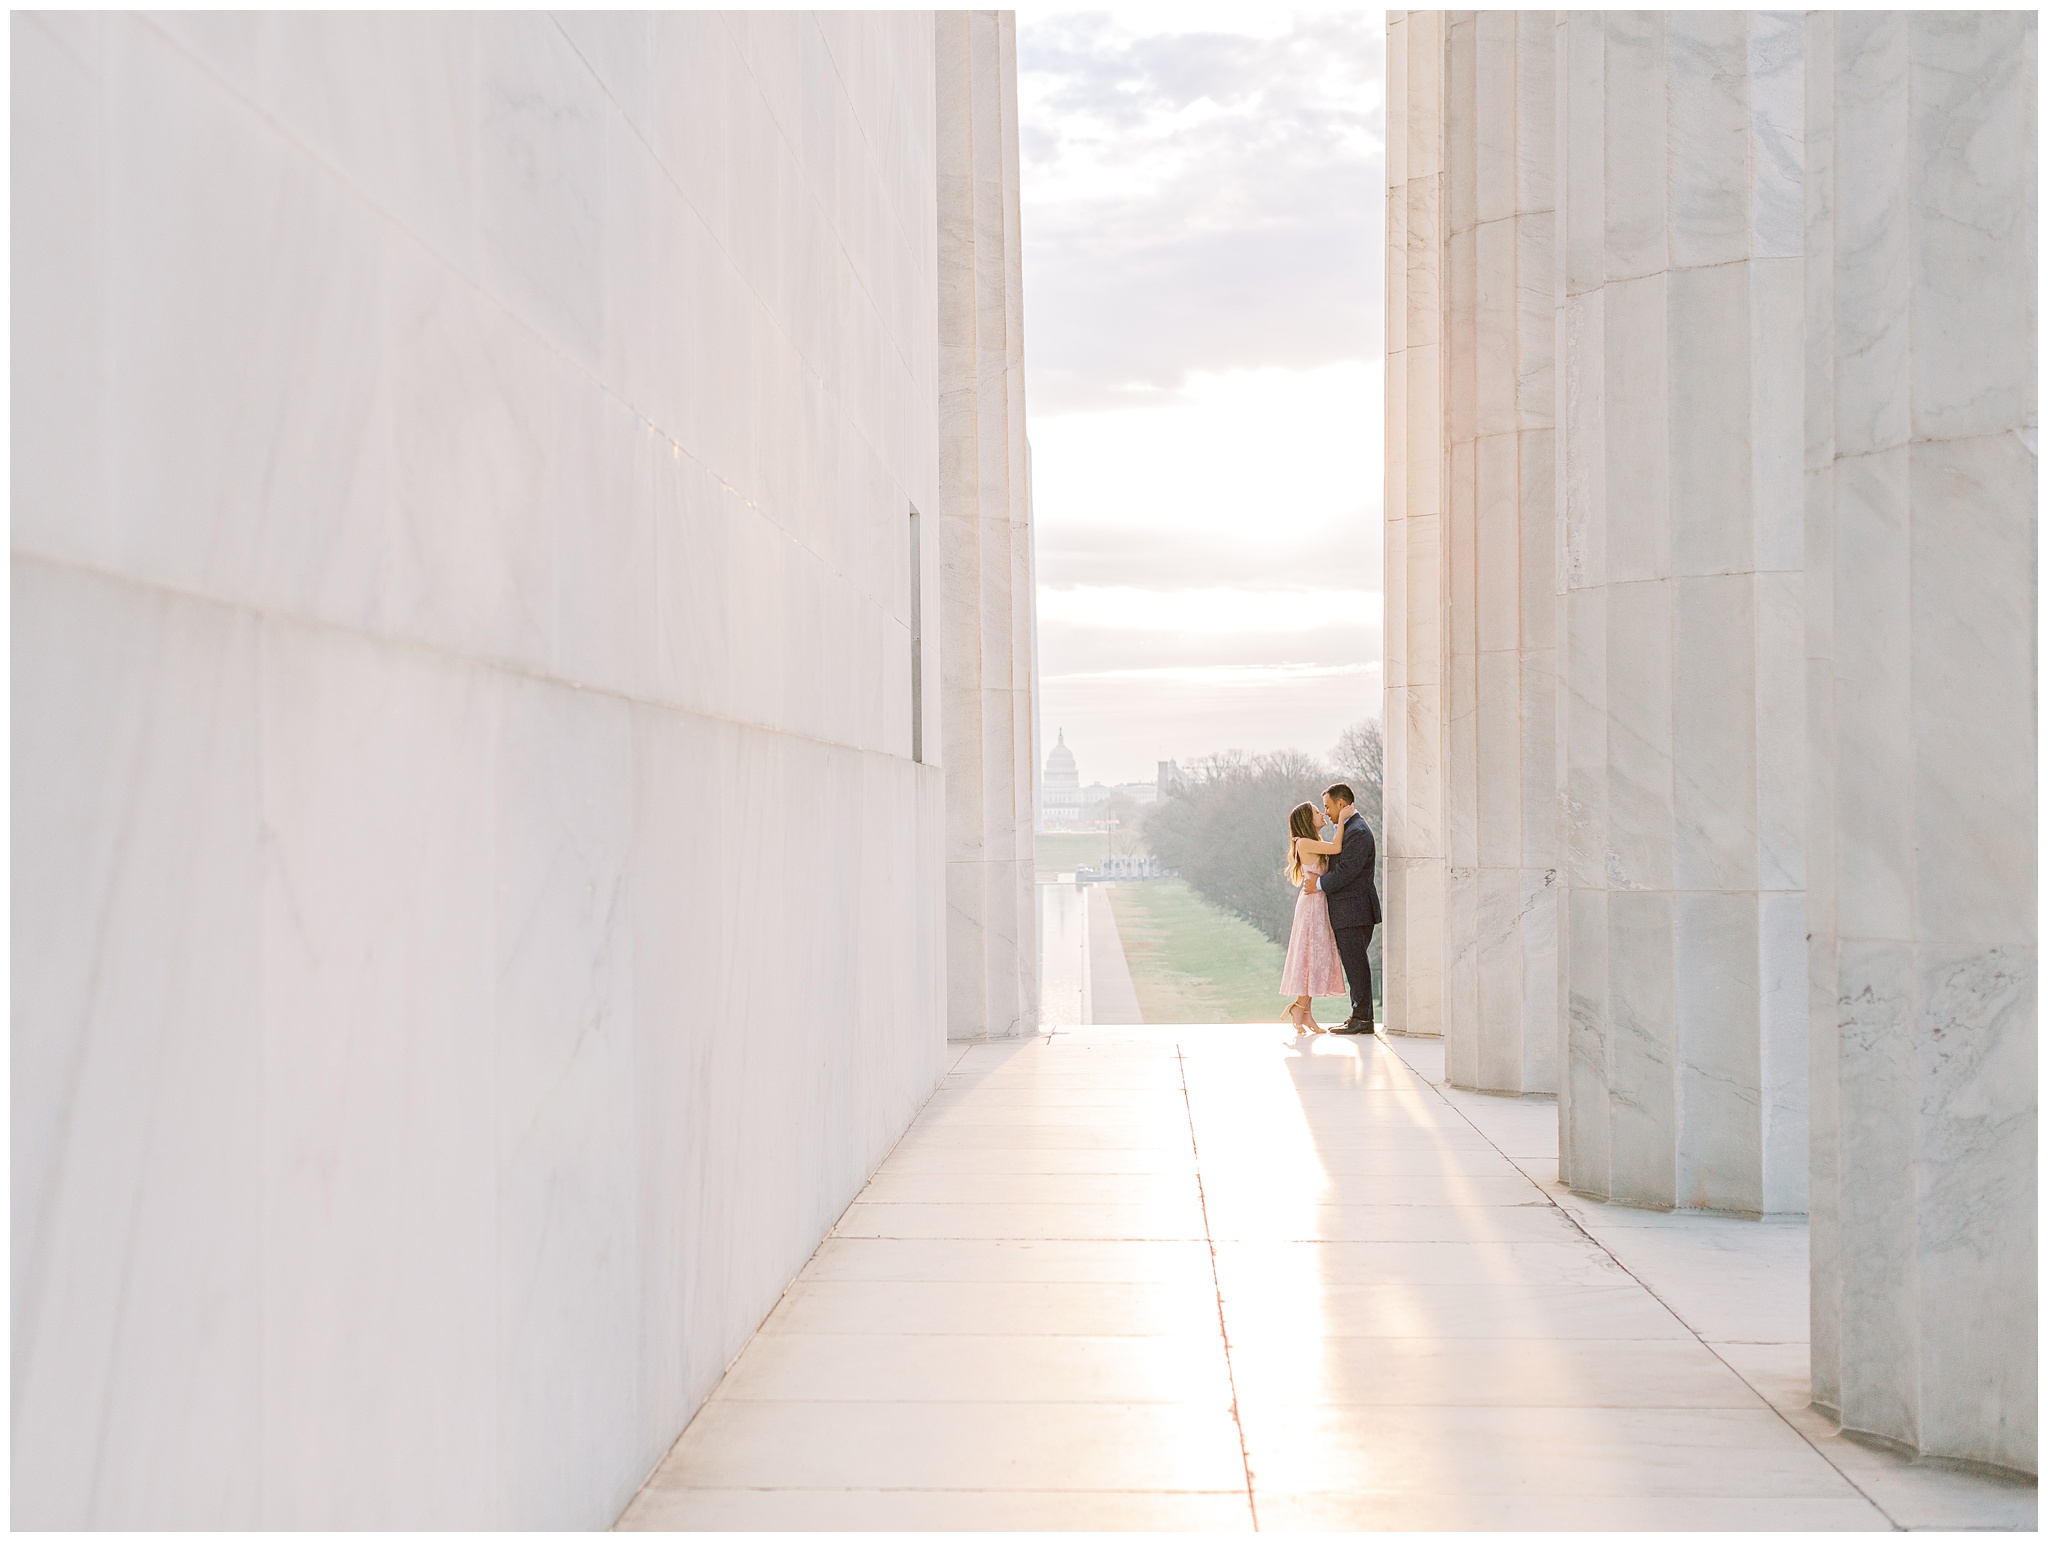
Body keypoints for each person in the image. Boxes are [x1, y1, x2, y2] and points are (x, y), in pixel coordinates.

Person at [1303, 782, 1381, 1035]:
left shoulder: (1357, 831)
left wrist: (1319, 884)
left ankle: (1363, 1019)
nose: (1326, 812)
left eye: (1327, 806)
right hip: (1349, 910)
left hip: (1354, 911)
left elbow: (1346, 871)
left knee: (1356, 965)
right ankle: (1359, 1015)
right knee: (1354, 964)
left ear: (1341, 803)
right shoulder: (1348, 829)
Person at [1280, 802, 1347, 1033]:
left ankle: (1305, 1013)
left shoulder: (1311, 842)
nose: (1322, 814)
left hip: (1317, 900)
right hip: (1312, 905)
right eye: (1317, 813)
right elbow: (1337, 847)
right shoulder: (1306, 842)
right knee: (1310, 954)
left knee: (1314, 955)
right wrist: (1344, 818)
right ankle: (1298, 1007)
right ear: (1308, 820)